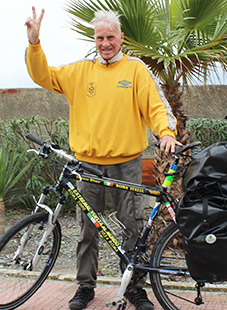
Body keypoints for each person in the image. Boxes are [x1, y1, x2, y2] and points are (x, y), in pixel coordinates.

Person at [24, 7, 180, 310]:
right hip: (86, 164)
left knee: (133, 225)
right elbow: (43, 75)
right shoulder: (79, 71)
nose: (105, 42)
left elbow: (156, 107)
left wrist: (166, 132)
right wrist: (34, 43)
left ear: (121, 38)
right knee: (87, 229)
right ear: (94, 40)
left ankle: (135, 288)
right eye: (100, 38)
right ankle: (85, 287)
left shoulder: (135, 70)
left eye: (110, 37)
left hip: (127, 162)